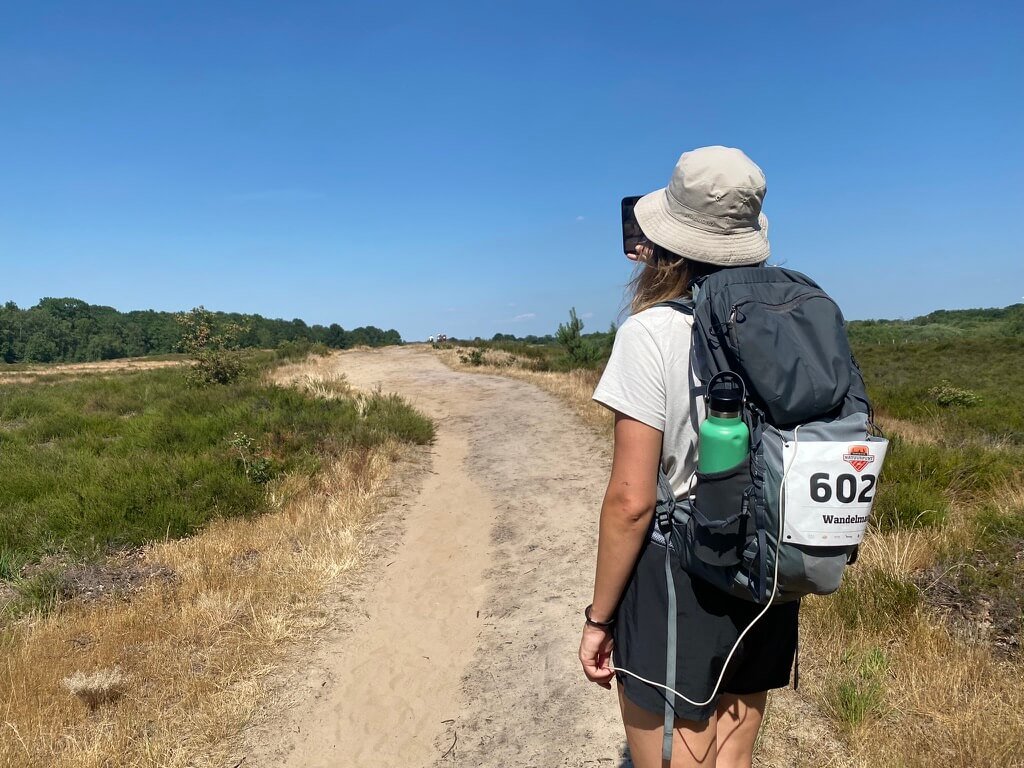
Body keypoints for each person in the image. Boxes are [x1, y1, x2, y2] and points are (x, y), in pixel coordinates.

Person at [579, 146, 799, 768]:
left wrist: (599, 618)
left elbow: (631, 501)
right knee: (730, 757)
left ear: (662, 243)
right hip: (766, 569)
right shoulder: (784, 326)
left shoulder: (649, 333)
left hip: (679, 572)